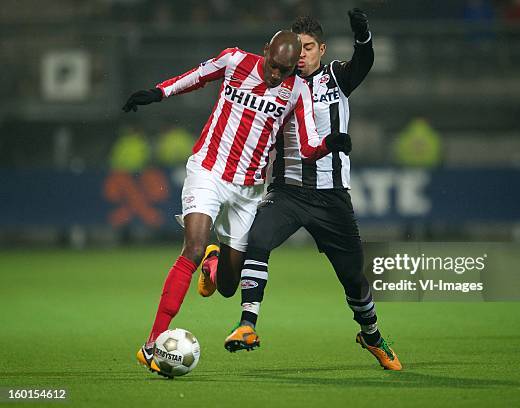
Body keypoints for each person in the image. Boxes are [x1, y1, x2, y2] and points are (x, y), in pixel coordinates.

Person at [122, 30, 352, 377]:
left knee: (229, 287)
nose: (277, 75)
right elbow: (196, 77)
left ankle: (214, 264)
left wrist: (330, 144)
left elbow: (307, 146)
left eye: (285, 70)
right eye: (274, 66)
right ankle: (152, 343)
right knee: (193, 247)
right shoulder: (235, 61)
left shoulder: (298, 90)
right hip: (209, 170)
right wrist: (158, 92)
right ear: (265, 52)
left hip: (249, 190)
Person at [218, 10, 402, 370]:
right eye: (296, 48)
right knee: (259, 239)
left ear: (322, 49)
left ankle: (371, 335)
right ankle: (246, 324)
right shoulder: (280, 82)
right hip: (288, 191)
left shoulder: (337, 77)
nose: (300, 55)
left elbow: (364, 61)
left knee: (352, 276)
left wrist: (362, 35)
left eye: (308, 48)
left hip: (332, 197)